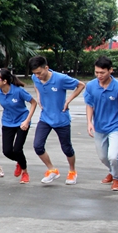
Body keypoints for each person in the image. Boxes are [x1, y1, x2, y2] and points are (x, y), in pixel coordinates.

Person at [29, 55, 86, 185]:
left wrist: (68, 100)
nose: (37, 76)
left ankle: (72, 171)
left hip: (61, 118)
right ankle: (52, 170)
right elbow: (36, 85)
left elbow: (81, 85)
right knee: (38, 146)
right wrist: (38, 97)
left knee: (67, 148)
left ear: (46, 68)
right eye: (35, 73)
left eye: (39, 73)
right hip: (45, 117)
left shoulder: (60, 79)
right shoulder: (35, 77)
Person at [0, 68, 37, 184]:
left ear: (5, 81)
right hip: (7, 122)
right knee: (7, 151)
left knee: (17, 149)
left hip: (22, 122)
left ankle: (25, 172)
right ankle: (20, 162)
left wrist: (27, 120)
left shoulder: (18, 91)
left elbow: (33, 103)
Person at [85, 56, 118, 192]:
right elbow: (89, 105)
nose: (99, 75)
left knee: (112, 156)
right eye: (97, 72)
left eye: (102, 73)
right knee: (103, 157)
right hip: (99, 127)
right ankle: (112, 172)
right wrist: (89, 122)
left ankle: (117, 178)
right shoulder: (91, 86)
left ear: (110, 70)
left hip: (115, 126)